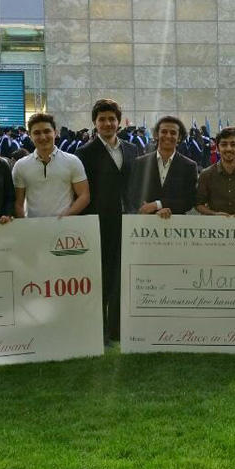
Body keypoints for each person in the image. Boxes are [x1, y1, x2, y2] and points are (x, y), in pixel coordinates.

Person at [77, 99, 138, 344]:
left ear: (119, 122)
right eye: (102, 119)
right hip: (99, 223)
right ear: (95, 123)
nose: (107, 123)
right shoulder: (84, 153)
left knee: (121, 277)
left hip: (127, 222)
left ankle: (117, 329)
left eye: (112, 119)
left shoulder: (132, 149)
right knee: (101, 277)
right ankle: (99, 331)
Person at [11, 113, 87, 219]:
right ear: (30, 136)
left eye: (47, 131)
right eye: (37, 133)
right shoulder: (20, 165)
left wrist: (66, 217)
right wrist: (24, 225)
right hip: (33, 226)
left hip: (64, 226)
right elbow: (18, 203)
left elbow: (84, 195)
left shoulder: (72, 161)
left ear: (55, 133)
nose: (43, 137)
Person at [133, 115, 198, 218]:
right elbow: (133, 194)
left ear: (179, 137)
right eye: (164, 132)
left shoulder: (189, 166)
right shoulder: (140, 163)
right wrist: (145, 208)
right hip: (146, 222)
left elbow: (189, 201)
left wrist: (158, 205)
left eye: (173, 133)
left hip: (176, 223)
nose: (168, 136)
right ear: (156, 135)